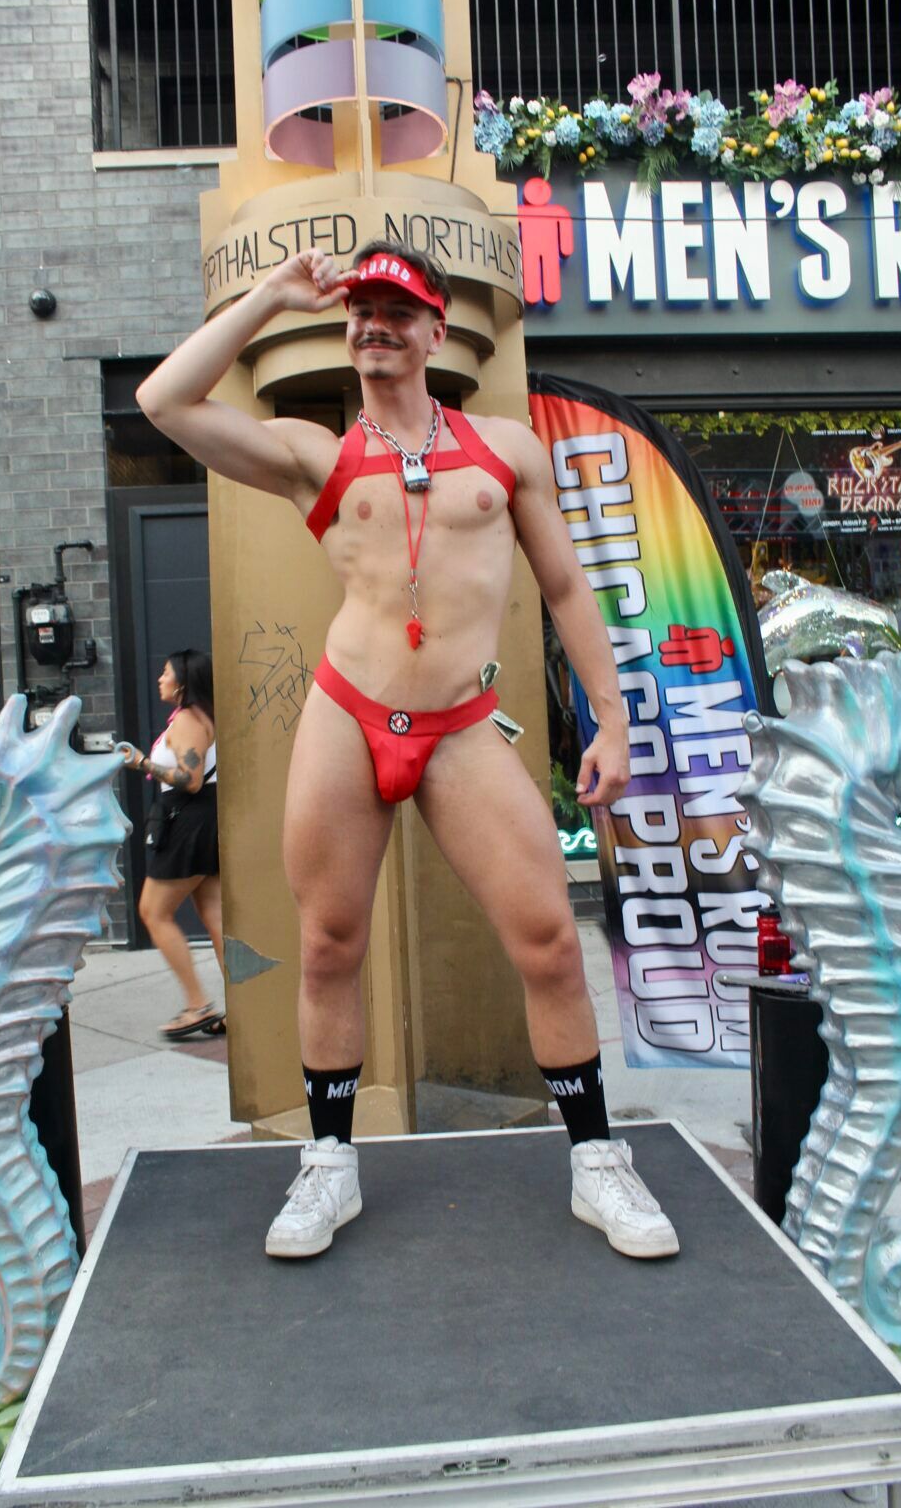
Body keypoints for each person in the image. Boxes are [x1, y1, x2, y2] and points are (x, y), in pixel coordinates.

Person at [136, 240, 679, 1261]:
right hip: (349, 715)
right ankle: (329, 1166)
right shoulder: (316, 453)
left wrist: (608, 718)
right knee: (330, 944)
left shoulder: (506, 451)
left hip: (465, 729)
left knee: (550, 939)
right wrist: (266, 297)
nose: (375, 324)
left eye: (399, 310)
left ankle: (597, 1159)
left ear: (437, 331)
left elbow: (566, 587)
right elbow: (167, 401)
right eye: (362, 310)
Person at [121, 649, 226, 1040]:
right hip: (199, 819)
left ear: (182, 681)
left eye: (166, 673)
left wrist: (142, 763)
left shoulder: (187, 720)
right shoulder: (197, 718)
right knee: (214, 916)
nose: (160, 679)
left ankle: (198, 1005)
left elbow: (191, 779)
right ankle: (245, 1005)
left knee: (153, 911)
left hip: (187, 819)